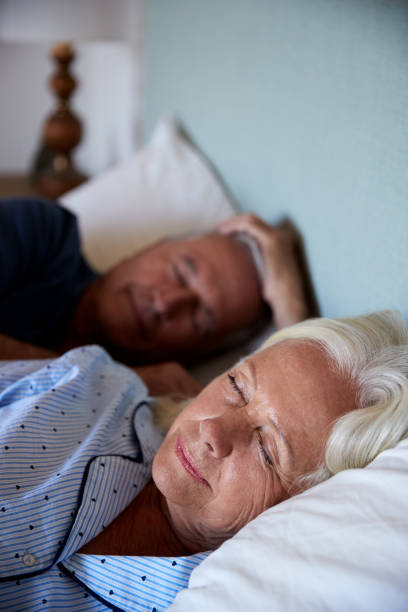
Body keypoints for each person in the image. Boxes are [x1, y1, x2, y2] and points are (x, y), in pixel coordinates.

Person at [1, 310, 407, 610]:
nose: (212, 430)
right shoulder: (92, 385)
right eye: (235, 384)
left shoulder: (219, 598)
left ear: (308, 503)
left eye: (267, 451)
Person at [0, 197, 310, 366]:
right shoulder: (44, 235)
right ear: (151, 248)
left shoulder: (153, 414)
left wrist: (292, 319)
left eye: (200, 319)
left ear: (193, 354)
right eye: (180, 272)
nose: (166, 303)